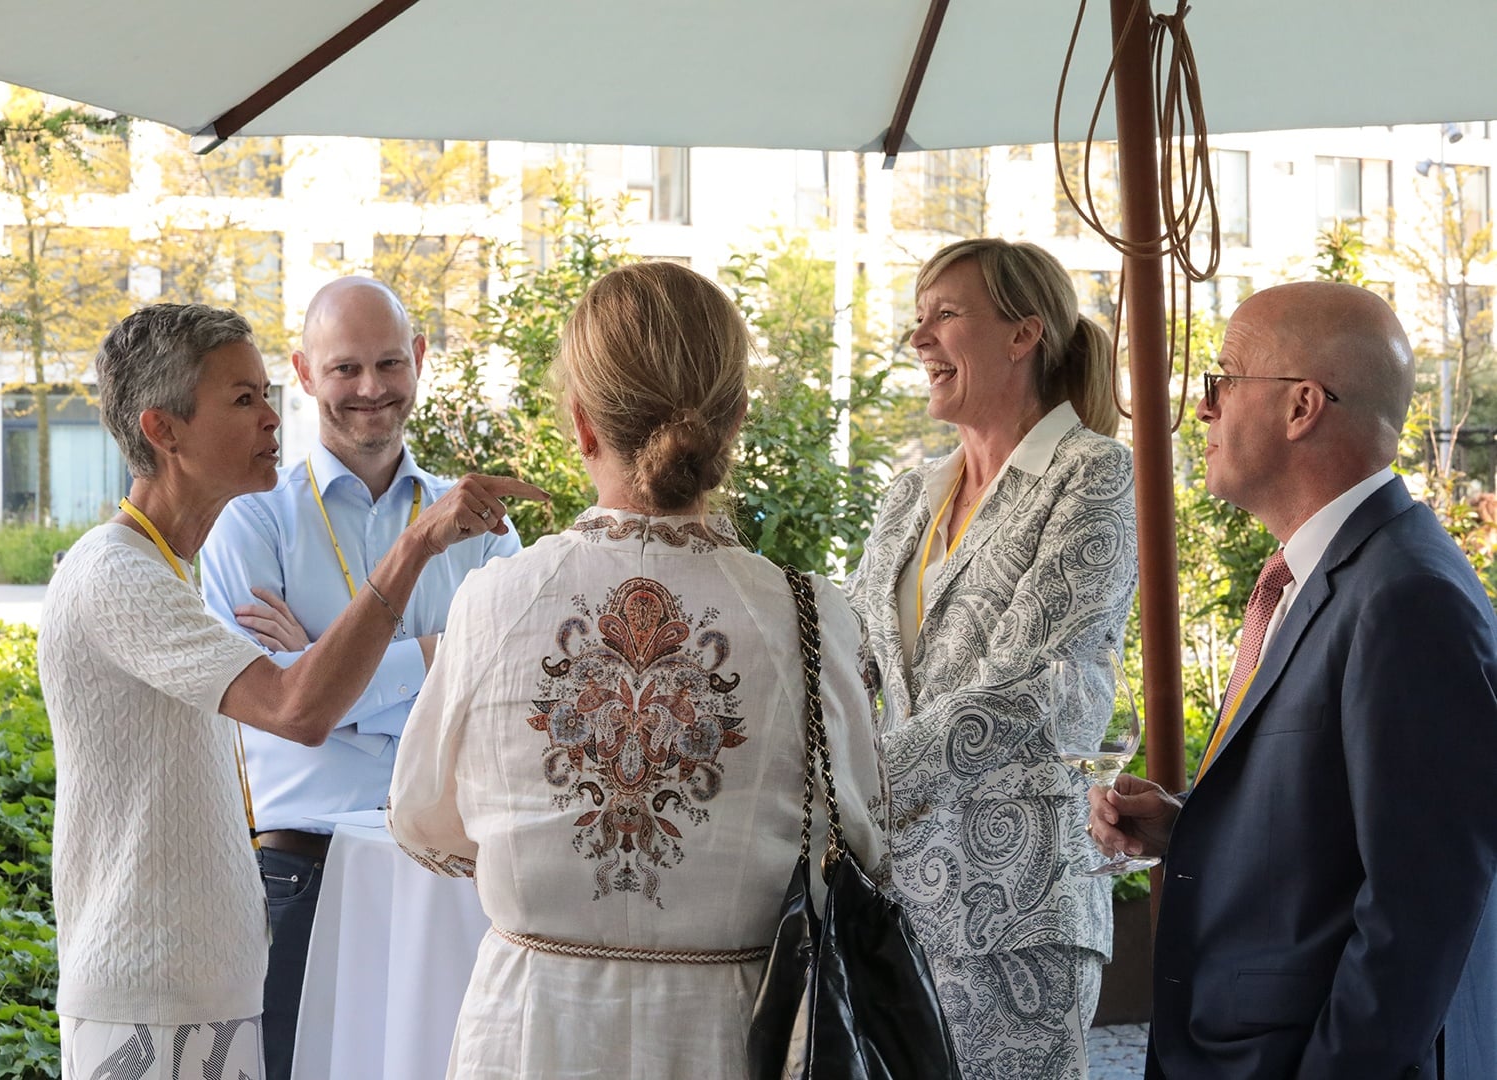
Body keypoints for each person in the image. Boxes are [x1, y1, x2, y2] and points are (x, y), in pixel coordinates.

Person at [387, 260, 888, 1078]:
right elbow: (861, 837)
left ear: (582, 424)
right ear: (736, 420)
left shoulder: (492, 601)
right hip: (734, 1035)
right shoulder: (808, 615)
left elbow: (421, 818)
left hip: (532, 1029)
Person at [38, 302, 542, 1079]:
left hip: (205, 983)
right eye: (244, 399)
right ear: (164, 431)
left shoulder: (161, 571)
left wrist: (318, 655)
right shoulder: (117, 575)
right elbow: (296, 708)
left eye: (267, 393)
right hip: (151, 991)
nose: (274, 418)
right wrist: (416, 552)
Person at [1088, 281, 1497, 1080]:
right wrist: (1189, 828)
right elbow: (1342, 832)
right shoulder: (1329, 575)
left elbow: (1420, 914)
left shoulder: (1408, 598)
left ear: (1301, 406)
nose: (1201, 408)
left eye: (1221, 380)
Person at [200, 276, 520, 1079]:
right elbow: (281, 709)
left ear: (420, 359)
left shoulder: (480, 523)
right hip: (302, 871)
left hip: (451, 881)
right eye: (345, 368)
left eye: (389, 363)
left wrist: (323, 666)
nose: (371, 388)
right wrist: (438, 656)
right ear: (305, 374)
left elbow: (509, 699)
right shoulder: (249, 519)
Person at [844, 237, 1138, 1078]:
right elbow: (850, 658)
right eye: (918, 318)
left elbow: (1029, 690)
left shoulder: (1093, 474)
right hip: (892, 908)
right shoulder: (912, 494)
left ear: (1022, 334)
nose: (919, 338)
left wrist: (853, 787)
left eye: (945, 315)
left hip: (1018, 910)